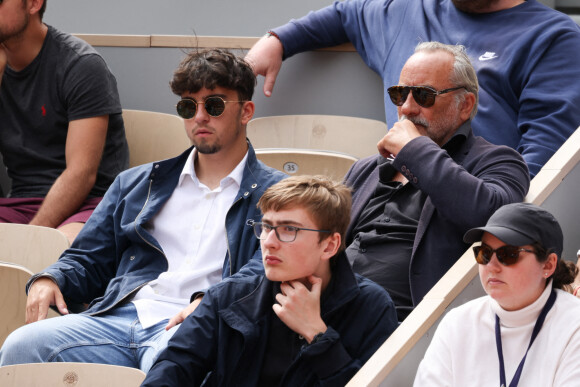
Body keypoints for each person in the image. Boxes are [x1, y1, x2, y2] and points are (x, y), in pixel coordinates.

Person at [0, 48, 286, 372]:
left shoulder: (278, 195)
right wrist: (51, 278)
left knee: (177, 365)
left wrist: (215, 302)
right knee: (21, 347)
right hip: (120, 319)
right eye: (188, 106)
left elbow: (268, 272)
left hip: (195, 327)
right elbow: (89, 256)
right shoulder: (137, 183)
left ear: (246, 111)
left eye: (215, 105)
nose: (200, 117)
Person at [245, 0, 580, 178]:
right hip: (395, 200)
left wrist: (500, 221)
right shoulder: (404, 11)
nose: (407, 105)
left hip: (477, 212)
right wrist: (278, 40)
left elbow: (545, 156)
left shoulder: (553, 36)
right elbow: (344, 14)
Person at [142, 175, 398, 386]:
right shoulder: (228, 296)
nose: (269, 242)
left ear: (330, 245)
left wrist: (318, 335)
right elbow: (173, 367)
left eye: (289, 229)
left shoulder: (372, 306)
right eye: (266, 227)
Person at [343, 42, 530, 321]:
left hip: (403, 328)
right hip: (329, 310)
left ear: (465, 105)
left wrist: (414, 150)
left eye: (423, 95)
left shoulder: (498, 161)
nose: (406, 108)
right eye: (399, 94)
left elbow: (495, 218)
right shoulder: (366, 169)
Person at [0, 0, 129, 243]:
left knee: (56, 253)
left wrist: (28, 239)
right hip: (22, 202)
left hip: (90, 204)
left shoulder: (80, 65)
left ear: (34, 4)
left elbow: (81, 174)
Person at [414, 202, 580, 386]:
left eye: (508, 254)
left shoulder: (574, 325)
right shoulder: (457, 323)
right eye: (484, 253)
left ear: (548, 265)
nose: (491, 266)